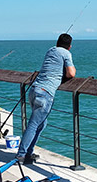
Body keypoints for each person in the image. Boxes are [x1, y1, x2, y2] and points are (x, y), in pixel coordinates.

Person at [17, 33, 76, 164]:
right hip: (45, 93)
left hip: (34, 90)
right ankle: (21, 155)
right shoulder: (66, 53)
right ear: (70, 46)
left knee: (41, 123)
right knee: (33, 124)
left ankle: (28, 152)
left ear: (57, 42)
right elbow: (71, 73)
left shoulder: (50, 50)